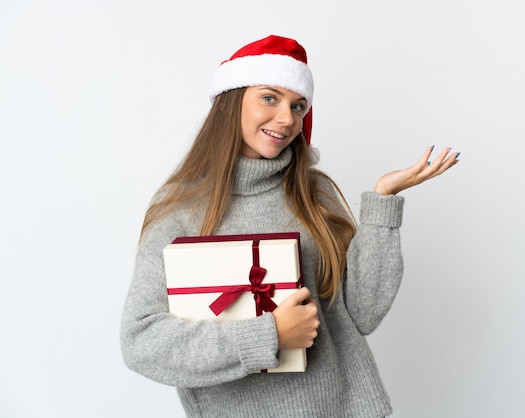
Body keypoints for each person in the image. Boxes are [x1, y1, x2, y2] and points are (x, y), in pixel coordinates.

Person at [120, 34, 460, 418]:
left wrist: (382, 204)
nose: (287, 118)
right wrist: (269, 336)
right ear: (232, 102)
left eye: (298, 106)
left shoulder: (313, 193)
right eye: (269, 97)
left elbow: (362, 314)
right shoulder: (179, 210)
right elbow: (142, 342)